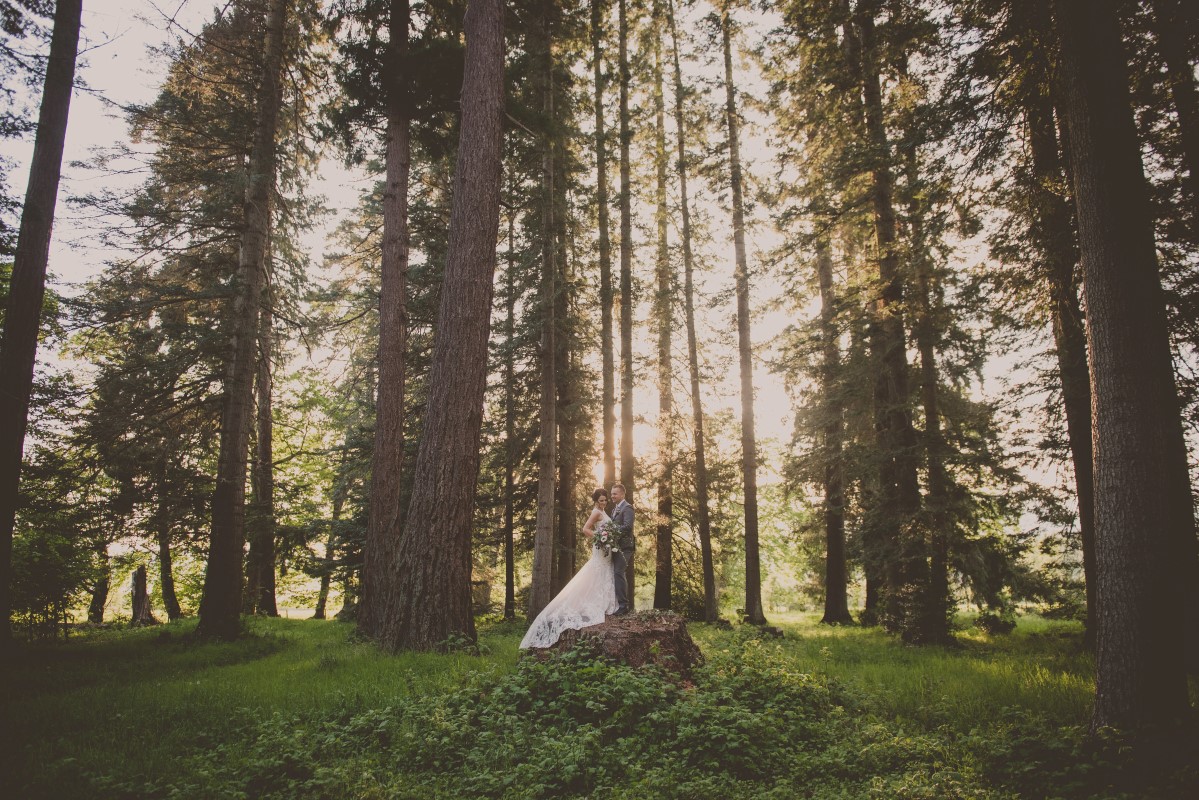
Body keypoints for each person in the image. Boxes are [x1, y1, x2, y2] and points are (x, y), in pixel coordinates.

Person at [519, 487, 618, 649]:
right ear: (596, 501)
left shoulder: (604, 512)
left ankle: (607, 602)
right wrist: (600, 537)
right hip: (601, 547)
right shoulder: (596, 512)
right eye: (601, 500)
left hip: (607, 549)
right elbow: (585, 529)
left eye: (605, 499)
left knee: (605, 572)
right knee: (596, 571)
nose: (604, 502)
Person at [609, 483, 634, 615]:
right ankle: (618, 604)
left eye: (615, 493)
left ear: (622, 494)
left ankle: (624, 605)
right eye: (612, 493)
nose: (612, 496)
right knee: (615, 573)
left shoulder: (627, 508)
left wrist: (611, 530)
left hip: (625, 547)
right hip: (615, 546)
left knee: (619, 572)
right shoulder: (615, 509)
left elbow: (628, 527)